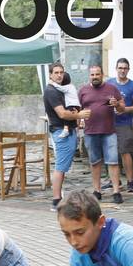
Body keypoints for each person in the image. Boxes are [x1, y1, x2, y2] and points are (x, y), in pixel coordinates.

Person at [43, 62, 91, 212]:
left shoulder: (59, 89)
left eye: (61, 72)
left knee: (63, 166)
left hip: (68, 130)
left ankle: (58, 198)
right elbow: (62, 114)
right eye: (56, 72)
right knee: (60, 167)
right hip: (60, 131)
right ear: (50, 74)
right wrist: (80, 115)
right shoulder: (51, 91)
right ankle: (56, 200)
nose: (59, 75)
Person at [78, 65, 126, 205]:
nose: (95, 77)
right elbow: (77, 109)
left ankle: (116, 191)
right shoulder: (83, 91)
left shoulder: (112, 89)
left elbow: (122, 107)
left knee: (113, 161)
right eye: (92, 75)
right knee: (95, 162)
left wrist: (116, 104)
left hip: (108, 131)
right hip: (90, 131)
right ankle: (97, 190)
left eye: (97, 74)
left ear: (102, 75)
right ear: (89, 76)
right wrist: (78, 122)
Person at [107, 57, 133, 193]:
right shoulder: (109, 84)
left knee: (125, 152)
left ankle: (130, 181)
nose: (122, 70)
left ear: (128, 70)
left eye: (125, 68)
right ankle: (114, 181)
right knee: (110, 152)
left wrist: (123, 109)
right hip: (109, 123)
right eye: (120, 68)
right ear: (116, 69)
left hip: (125, 124)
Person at [51, 72, 81, 139]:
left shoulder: (67, 87)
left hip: (72, 105)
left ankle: (65, 129)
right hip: (77, 105)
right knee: (73, 118)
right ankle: (76, 132)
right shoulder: (72, 86)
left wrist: (53, 83)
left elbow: (60, 88)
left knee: (66, 116)